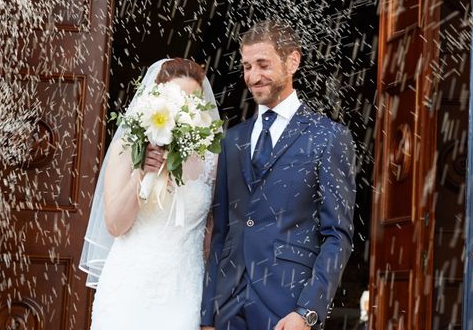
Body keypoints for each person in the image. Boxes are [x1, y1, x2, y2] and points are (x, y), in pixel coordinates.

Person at [201, 21, 357, 330]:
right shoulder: (232, 140)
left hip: (288, 306)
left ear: (292, 61)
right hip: (228, 307)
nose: (253, 77)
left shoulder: (328, 137)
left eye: (263, 64)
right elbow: (221, 234)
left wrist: (308, 311)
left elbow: (337, 236)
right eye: (246, 66)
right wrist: (208, 313)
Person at [80, 58, 220, 330]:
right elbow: (115, 224)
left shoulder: (210, 161)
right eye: (176, 98)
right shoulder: (127, 147)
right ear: (155, 98)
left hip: (183, 291)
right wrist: (141, 173)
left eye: (192, 101)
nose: (183, 107)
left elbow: (212, 234)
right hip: (128, 291)